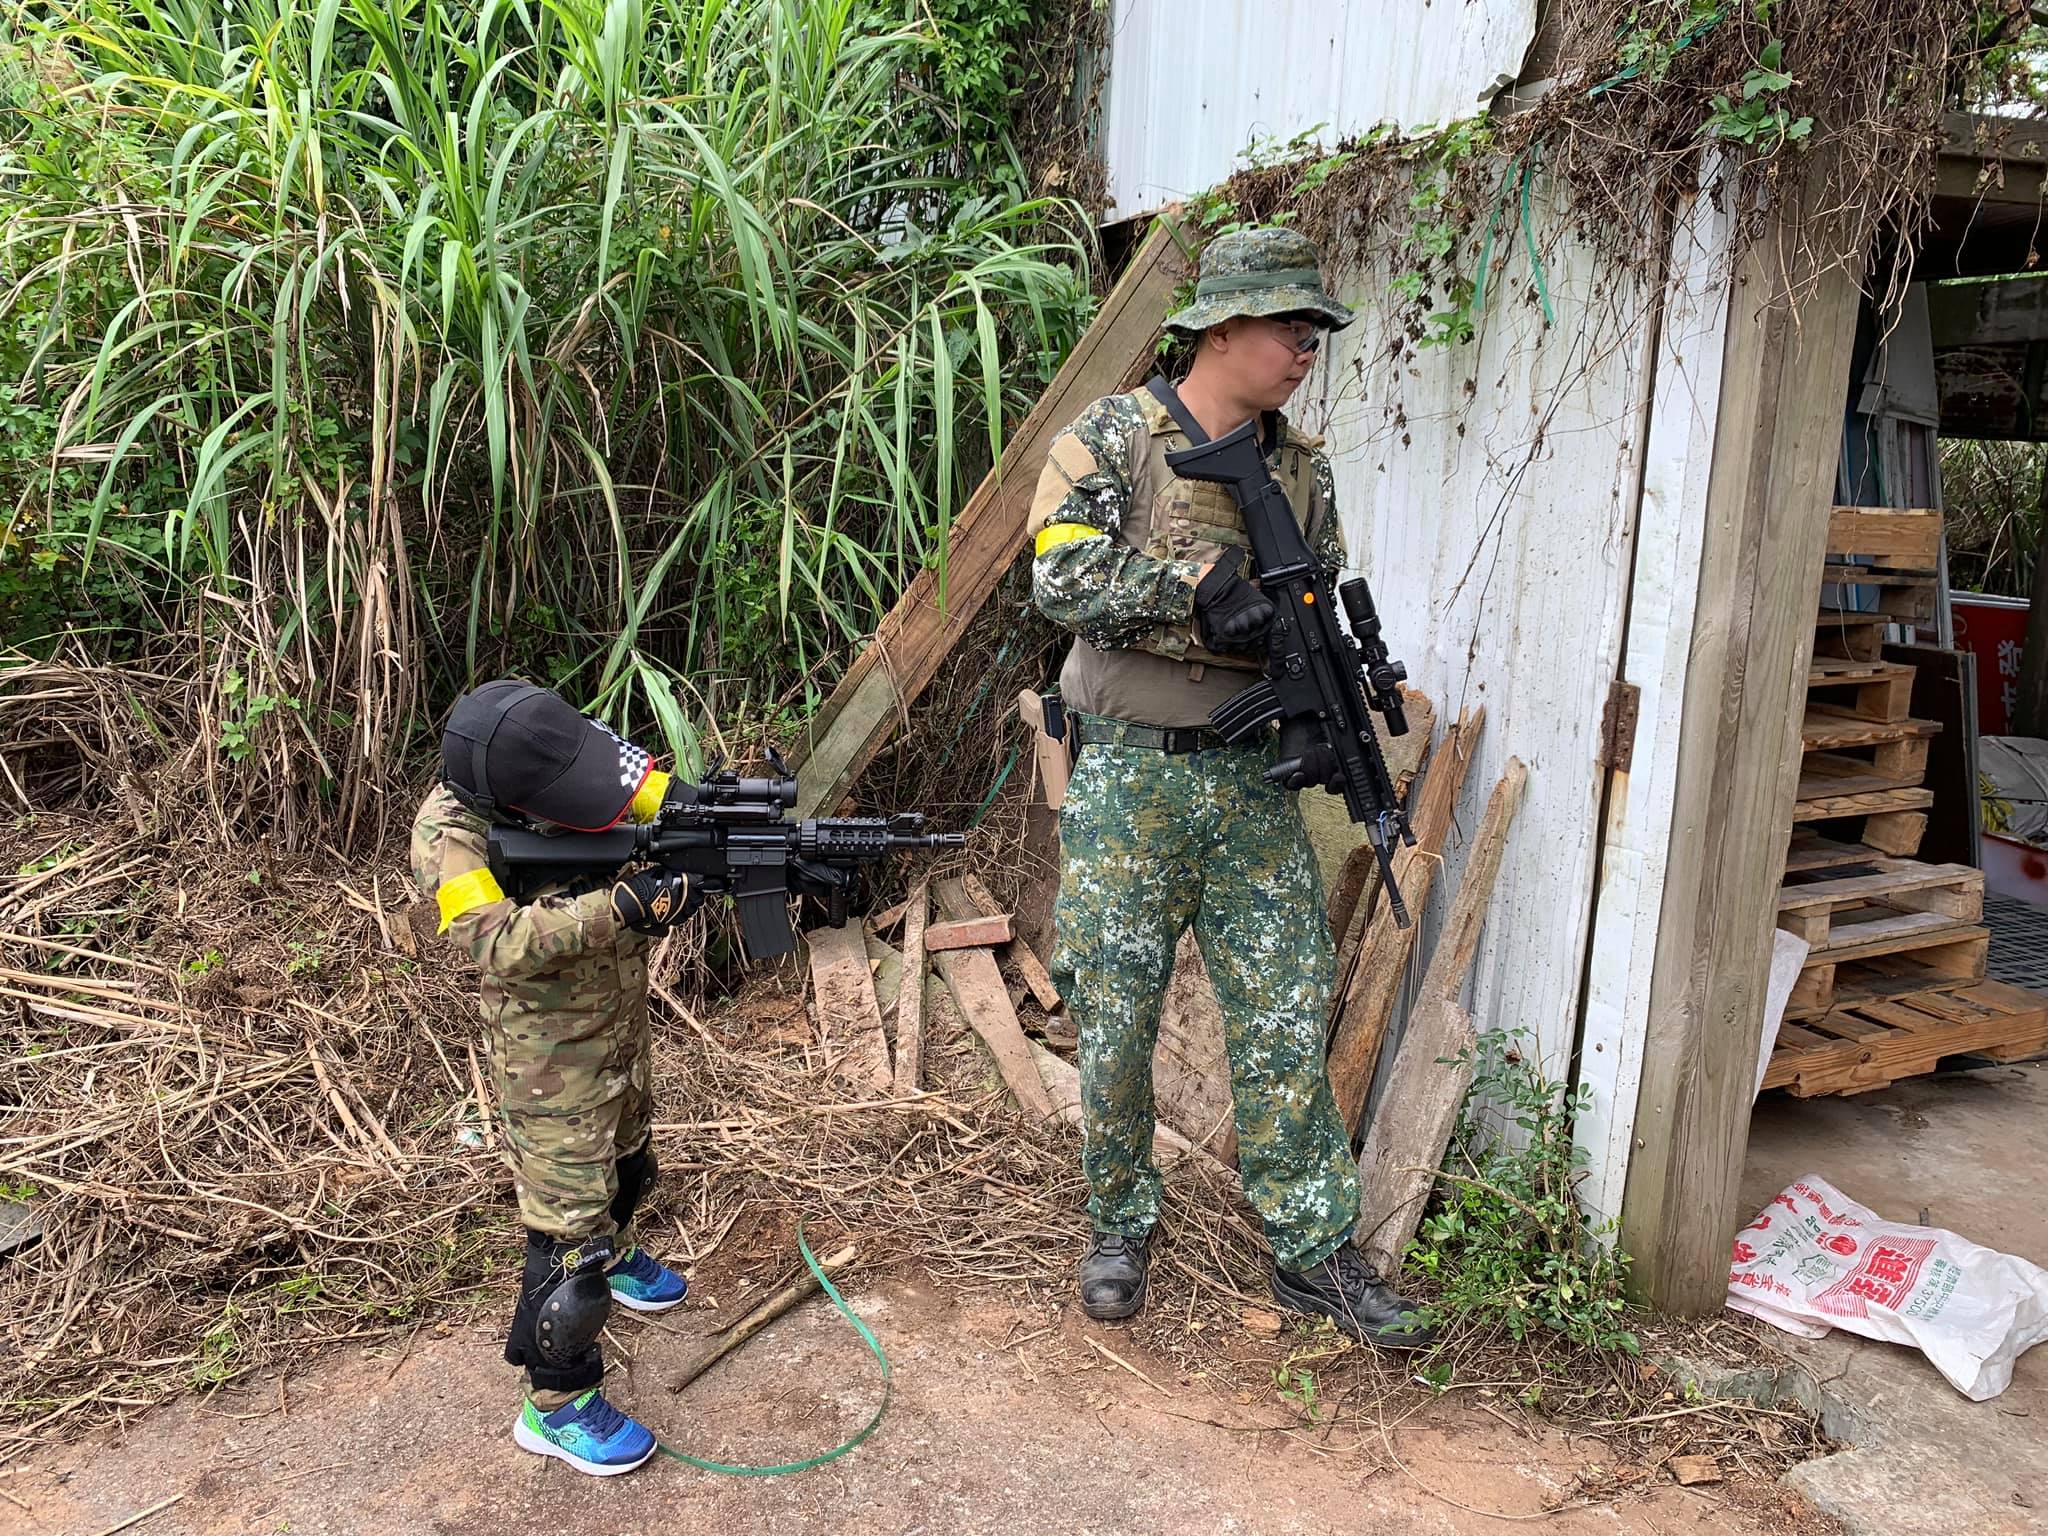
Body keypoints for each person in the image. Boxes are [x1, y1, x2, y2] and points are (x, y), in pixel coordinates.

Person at [1026, 226, 1435, 1351]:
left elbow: (1313, 599)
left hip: (1251, 783)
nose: (1306, 351)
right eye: (1289, 329)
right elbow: (1058, 571)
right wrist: (1192, 589)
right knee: (1115, 1011)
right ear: (1220, 327)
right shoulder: (1114, 435)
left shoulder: (1301, 467)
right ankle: (1119, 1224)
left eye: (1314, 334)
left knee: (1284, 1011)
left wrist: (1326, 705)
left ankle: (1313, 1249)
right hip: (1132, 780)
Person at [411, 680, 704, 1475]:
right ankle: (556, 1403)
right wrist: (622, 909)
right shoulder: (451, 833)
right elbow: (496, 942)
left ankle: (619, 1252)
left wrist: (714, 826)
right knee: (567, 1240)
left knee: (630, 1164)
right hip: (547, 1061)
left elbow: (650, 791)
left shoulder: (559, 751)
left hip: (619, 1026)